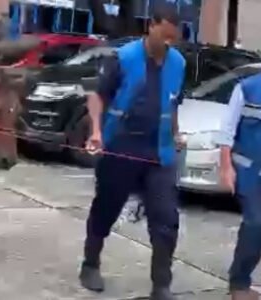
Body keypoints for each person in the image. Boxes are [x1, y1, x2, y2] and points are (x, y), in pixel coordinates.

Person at [79, 5, 186, 300]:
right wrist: (97, 132)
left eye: (172, 39)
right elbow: (97, 96)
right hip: (121, 146)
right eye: (163, 36)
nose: (167, 44)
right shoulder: (123, 58)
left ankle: (161, 285)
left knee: (166, 218)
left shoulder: (178, 63)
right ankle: (90, 264)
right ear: (150, 26)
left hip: (159, 151)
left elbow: (173, 101)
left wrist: (176, 132)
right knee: (107, 208)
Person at [216, 75, 261, 299]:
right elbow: (227, 130)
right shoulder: (247, 88)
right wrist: (226, 167)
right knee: (256, 223)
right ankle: (239, 284)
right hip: (248, 170)